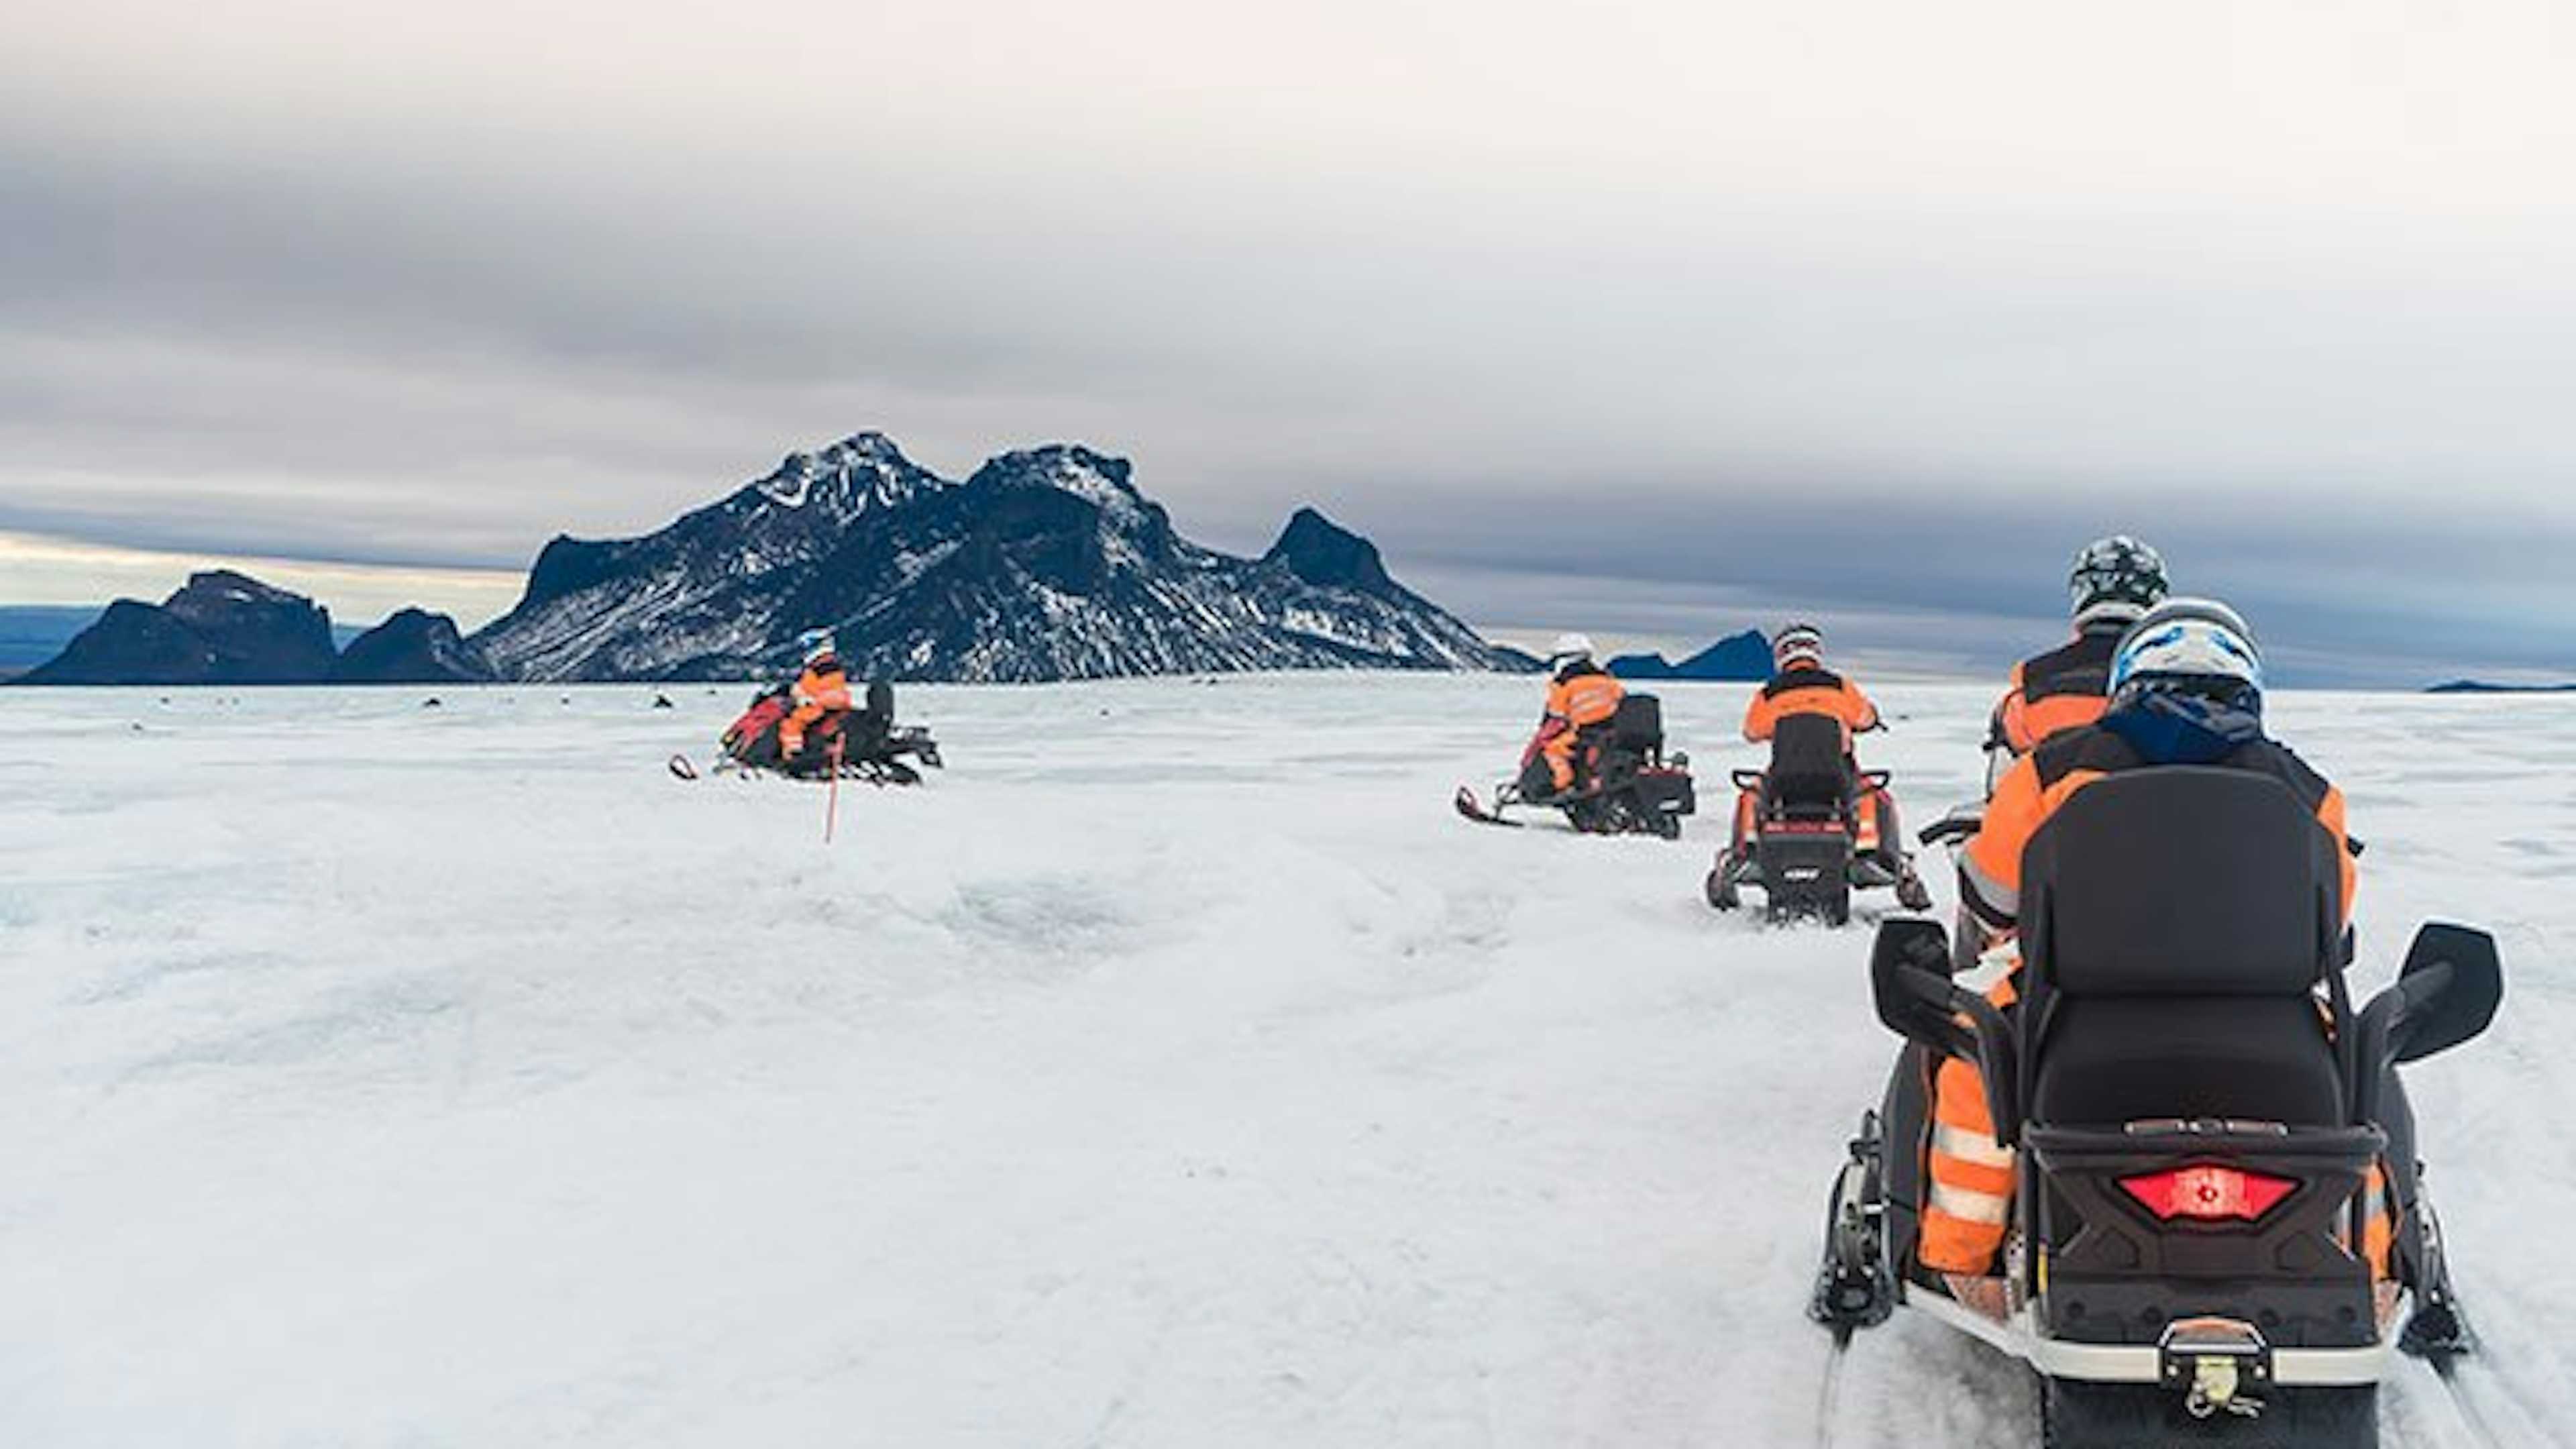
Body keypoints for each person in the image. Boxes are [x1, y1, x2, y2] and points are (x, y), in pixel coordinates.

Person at [1906, 598, 2400, 1293]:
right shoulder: (2308, 791)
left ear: (2130, 678)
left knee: (1967, 1052)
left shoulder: (2051, 771)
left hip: (2074, 1016)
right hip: (2269, 1027)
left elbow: (1991, 896)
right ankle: (2371, 1274)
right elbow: (2333, 932)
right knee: (2363, 1078)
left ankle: (1962, 1261)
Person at [1733, 624, 1921, 897]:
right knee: (1871, 794)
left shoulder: (1769, 694)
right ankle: (1869, 853)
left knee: (1751, 794)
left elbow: (1752, 731)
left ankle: (1748, 852)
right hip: (1837, 775)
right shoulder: (1840, 686)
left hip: (1784, 777)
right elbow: (1864, 717)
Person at [1984, 535, 2169, 767]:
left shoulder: (2029, 690)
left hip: (2055, 800)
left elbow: (2001, 788)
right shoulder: (2184, 689)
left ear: (2081, 590)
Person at [1528, 633, 1626, 796]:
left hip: (1582, 734)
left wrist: (1542, 735)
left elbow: (1556, 715)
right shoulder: (1608, 680)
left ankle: (1563, 785)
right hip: (1612, 732)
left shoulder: (1564, 683)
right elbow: (1623, 701)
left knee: (1553, 750)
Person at [777, 629, 854, 767]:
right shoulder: (826, 666)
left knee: (792, 723)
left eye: (807, 646)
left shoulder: (822, 668)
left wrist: (805, 699)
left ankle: (794, 754)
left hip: (822, 706)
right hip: (828, 704)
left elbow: (817, 690)